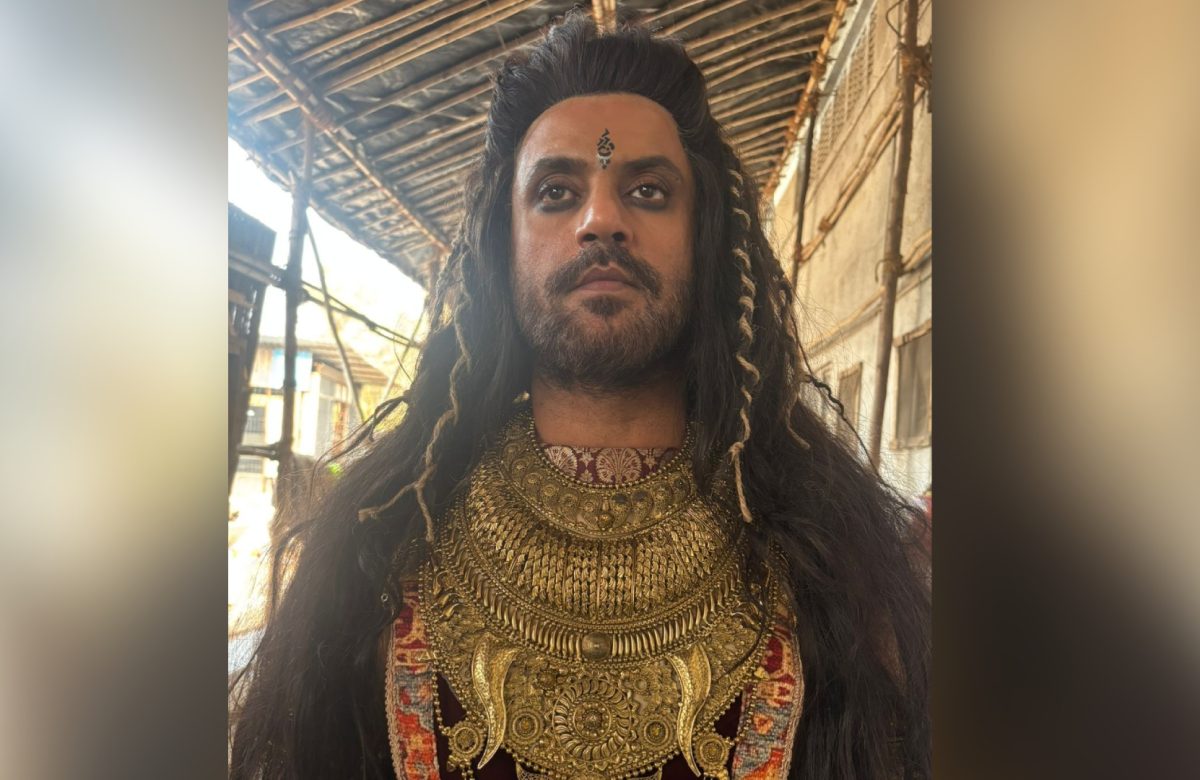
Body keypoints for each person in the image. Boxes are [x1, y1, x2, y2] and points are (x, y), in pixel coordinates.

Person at [230, 10, 930, 779]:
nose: (601, 221)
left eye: (649, 192)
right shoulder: (379, 548)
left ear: (707, 240)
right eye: (557, 192)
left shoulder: (836, 574)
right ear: (504, 245)